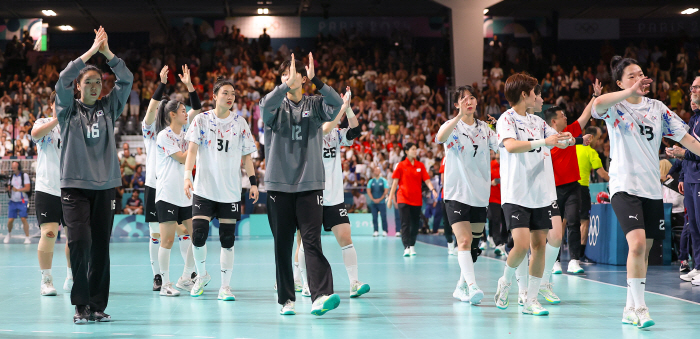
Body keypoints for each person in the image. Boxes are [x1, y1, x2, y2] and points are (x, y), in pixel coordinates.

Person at [593, 56, 700, 328]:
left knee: (645, 250)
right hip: (623, 187)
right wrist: (628, 92)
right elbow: (596, 106)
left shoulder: (658, 108)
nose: (640, 79)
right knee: (637, 244)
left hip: (651, 189)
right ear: (619, 83)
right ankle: (640, 307)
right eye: (632, 76)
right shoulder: (614, 106)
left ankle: (629, 306)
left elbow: (687, 138)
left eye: (642, 74)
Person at [56, 27, 133, 324]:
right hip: (74, 187)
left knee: (101, 246)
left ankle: (97, 305)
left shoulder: (109, 107)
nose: (95, 86)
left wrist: (108, 54)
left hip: (105, 187)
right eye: (89, 82)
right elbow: (62, 80)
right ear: (79, 86)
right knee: (80, 243)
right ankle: (80, 305)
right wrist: (90, 52)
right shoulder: (66, 111)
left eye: (99, 82)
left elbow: (126, 80)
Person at [259, 54, 343, 316]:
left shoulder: (315, 105)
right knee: (282, 244)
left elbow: (338, 103)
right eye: (284, 74)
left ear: (303, 78)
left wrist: (316, 79)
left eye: (293, 73)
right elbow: (264, 106)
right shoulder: (274, 105)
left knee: (311, 241)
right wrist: (286, 85)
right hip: (279, 186)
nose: (288, 78)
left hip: (310, 184)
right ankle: (286, 299)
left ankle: (320, 296)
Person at [493, 73, 571, 316]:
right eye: (535, 92)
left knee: (539, 245)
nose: (539, 96)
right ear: (524, 94)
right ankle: (505, 282)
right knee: (521, 244)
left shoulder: (537, 121)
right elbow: (511, 146)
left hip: (539, 194)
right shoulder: (506, 119)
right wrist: (543, 142)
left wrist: (566, 140)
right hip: (516, 193)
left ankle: (531, 300)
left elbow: (554, 138)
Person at [184, 76, 257, 301]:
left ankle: (225, 287)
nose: (230, 97)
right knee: (198, 234)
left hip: (230, 191)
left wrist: (253, 183)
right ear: (214, 96)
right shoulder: (202, 120)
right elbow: (192, 151)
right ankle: (202, 274)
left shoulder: (240, 123)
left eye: (233, 94)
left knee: (227, 239)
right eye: (225, 93)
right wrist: (187, 176)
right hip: (204, 188)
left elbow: (247, 157)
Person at [298, 90, 370, 299]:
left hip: (334, 197)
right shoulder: (310, 129)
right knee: (307, 241)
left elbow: (355, 130)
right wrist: (341, 107)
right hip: (311, 195)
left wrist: (347, 108)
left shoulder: (336, 134)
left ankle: (354, 283)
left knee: (345, 236)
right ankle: (305, 283)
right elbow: (327, 126)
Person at [436, 85, 498, 305]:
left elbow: (502, 146)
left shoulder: (485, 128)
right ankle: (472, 287)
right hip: (456, 192)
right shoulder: (451, 126)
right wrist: (458, 117)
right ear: (456, 104)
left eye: (471, 98)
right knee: (463, 240)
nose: (469, 102)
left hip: (480, 194)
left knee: (473, 247)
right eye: (463, 99)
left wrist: (499, 126)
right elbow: (439, 137)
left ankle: (461, 285)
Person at [142, 65, 199, 292]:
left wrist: (189, 86)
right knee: (158, 235)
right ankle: (159, 277)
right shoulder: (151, 131)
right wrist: (161, 84)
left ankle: (188, 273)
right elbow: (150, 109)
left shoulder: (182, 131)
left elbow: (195, 109)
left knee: (186, 232)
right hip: (156, 186)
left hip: (181, 188)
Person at [544, 79, 600, 275]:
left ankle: (574, 260)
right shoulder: (547, 138)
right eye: (562, 116)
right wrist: (577, 140)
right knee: (555, 227)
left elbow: (585, 116)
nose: (566, 117)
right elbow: (567, 141)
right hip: (553, 189)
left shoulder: (570, 130)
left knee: (574, 221)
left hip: (573, 186)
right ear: (553, 121)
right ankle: (555, 261)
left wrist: (594, 96)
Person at [154, 93, 197, 297]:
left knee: (198, 235)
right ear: (172, 114)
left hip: (186, 193)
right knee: (168, 240)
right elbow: (181, 158)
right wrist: (195, 148)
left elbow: (196, 112)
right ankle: (165, 284)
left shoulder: (186, 133)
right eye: (182, 111)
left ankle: (186, 277)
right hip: (168, 193)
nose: (186, 113)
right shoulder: (164, 135)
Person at [31, 91, 72, 295]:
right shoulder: (43, 122)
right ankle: (46, 280)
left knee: (74, 237)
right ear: (51, 104)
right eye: (59, 102)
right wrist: (57, 119)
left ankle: (72, 277)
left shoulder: (75, 127)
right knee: (48, 233)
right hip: (47, 188)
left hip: (71, 188)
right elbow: (35, 134)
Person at [387, 142, 438, 257]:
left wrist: (433, 190)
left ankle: (412, 245)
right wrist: (390, 198)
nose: (415, 151)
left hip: (416, 200)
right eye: (413, 149)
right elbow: (394, 183)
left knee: (415, 224)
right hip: (403, 199)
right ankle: (406, 247)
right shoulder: (400, 165)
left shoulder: (420, 165)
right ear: (406, 151)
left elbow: (427, 180)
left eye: (416, 149)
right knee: (405, 223)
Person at [576, 126, 609, 262]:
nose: (600, 141)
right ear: (591, 137)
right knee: (584, 221)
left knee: (564, 220)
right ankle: (580, 255)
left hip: (566, 187)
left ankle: (557, 257)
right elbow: (602, 174)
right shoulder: (591, 152)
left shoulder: (572, 148)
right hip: (582, 188)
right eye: (599, 137)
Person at [5, 161, 31, 244]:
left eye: (15, 167)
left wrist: (18, 190)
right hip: (13, 201)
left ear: (18, 167)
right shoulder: (11, 177)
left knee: (23, 219)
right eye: (12, 167)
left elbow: (27, 188)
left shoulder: (24, 176)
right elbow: (9, 188)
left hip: (23, 201)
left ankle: (27, 237)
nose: (13, 169)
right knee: (10, 220)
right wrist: (8, 189)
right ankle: (9, 234)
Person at [488, 150, 507, 256]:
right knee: (495, 220)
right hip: (493, 198)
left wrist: (498, 181)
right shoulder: (491, 165)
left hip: (505, 198)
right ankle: (498, 243)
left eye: (500, 158)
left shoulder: (507, 164)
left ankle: (504, 242)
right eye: (497, 158)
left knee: (505, 221)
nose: (498, 160)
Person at [368, 167, 389, 237]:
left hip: (382, 202)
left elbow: (386, 191)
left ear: (380, 171)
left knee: (383, 216)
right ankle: (375, 231)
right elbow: (368, 191)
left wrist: (380, 199)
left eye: (377, 170)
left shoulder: (383, 180)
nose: (376, 171)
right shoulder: (371, 181)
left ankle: (384, 231)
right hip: (373, 203)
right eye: (375, 170)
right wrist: (373, 199)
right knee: (374, 217)